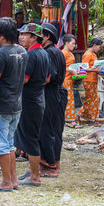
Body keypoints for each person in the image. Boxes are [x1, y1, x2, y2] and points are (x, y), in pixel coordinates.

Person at [0, 17, 27, 192]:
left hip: (1, 104)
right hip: (16, 103)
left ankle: (5, 181)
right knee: (9, 143)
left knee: (1, 144)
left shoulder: (0, 53)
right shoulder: (22, 51)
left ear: (1, 35)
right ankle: (13, 180)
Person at [14, 23, 50, 187]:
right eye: (20, 34)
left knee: (31, 138)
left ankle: (35, 176)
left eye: (25, 35)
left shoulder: (31, 55)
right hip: (38, 97)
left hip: (30, 101)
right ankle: (31, 170)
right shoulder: (43, 53)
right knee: (32, 135)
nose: (21, 37)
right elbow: (47, 79)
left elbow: (25, 79)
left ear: (34, 37)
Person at [39, 23, 67, 177]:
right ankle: (54, 162)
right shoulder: (56, 51)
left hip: (51, 93)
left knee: (48, 129)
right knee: (55, 128)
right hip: (56, 92)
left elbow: (49, 77)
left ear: (47, 36)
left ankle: (50, 164)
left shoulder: (50, 53)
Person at [79, 37, 102, 124]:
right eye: (99, 47)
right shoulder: (88, 54)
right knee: (90, 100)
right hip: (88, 80)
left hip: (94, 79)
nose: (99, 49)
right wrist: (94, 70)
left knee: (94, 100)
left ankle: (92, 119)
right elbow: (83, 68)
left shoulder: (94, 55)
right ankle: (80, 114)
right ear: (95, 45)